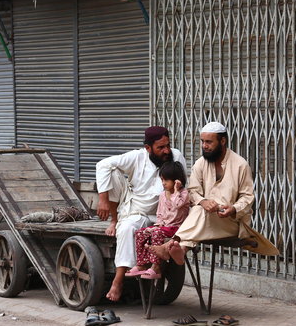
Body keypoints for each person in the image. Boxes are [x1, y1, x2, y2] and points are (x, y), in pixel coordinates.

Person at [150, 122, 278, 264]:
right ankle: (182, 248)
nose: (204, 146)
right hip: (204, 219)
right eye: (203, 141)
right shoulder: (200, 163)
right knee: (200, 209)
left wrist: (233, 209)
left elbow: (248, 197)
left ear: (222, 141)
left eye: (209, 142)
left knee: (200, 211)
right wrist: (203, 202)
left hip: (230, 222)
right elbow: (192, 191)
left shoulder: (241, 165)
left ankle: (170, 245)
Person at [96, 126, 187, 301]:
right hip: (136, 212)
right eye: (160, 147)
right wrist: (103, 200)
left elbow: (183, 188)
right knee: (126, 227)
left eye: (167, 145)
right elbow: (102, 164)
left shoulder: (176, 156)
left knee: (147, 230)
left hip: (165, 216)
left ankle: (130, 277)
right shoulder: (137, 157)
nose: (166, 151)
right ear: (148, 148)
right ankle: (118, 280)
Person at [125, 161, 190, 280]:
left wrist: (176, 190)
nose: (163, 183)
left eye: (166, 180)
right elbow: (159, 214)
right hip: (164, 227)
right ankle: (141, 264)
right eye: (162, 180)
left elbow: (177, 205)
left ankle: (156, 267)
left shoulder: (183, 194)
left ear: (176, 180)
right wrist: (158, 225)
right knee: (140, 233)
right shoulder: (162, 195)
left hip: (177, 228)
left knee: (156, 233)